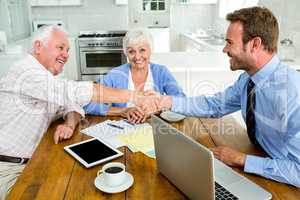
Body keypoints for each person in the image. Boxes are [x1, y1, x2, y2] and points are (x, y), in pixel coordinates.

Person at [0, 25, 157, 199]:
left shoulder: (47, 78)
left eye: (67, 50)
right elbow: (74, 92)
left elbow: (71, 104)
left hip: (34, 161)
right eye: (60, 47)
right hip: (8, 168)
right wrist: (135, 96)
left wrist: (69, 123)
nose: (66, 55)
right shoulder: (26, 72)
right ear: (38, 47)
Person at [157, 7, 300, 187]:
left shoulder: (293, 94)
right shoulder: (248, 79)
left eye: (230, 42)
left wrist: (242, 160)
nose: (225, 49)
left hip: (285, 181)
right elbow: (214, 105)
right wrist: (165, 101)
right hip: (261, 159)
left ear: (255, 45)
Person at [84, 29, 185, 124]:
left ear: (151, 50)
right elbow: (87, 103)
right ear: (126, 52)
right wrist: (122, 111)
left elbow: (181, 100)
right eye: (131, 51)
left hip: (155, 128)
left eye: (142, 50)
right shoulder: (115, 74)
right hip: (123, 129)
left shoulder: (161, 72)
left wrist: (158, 108)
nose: (137, 57)